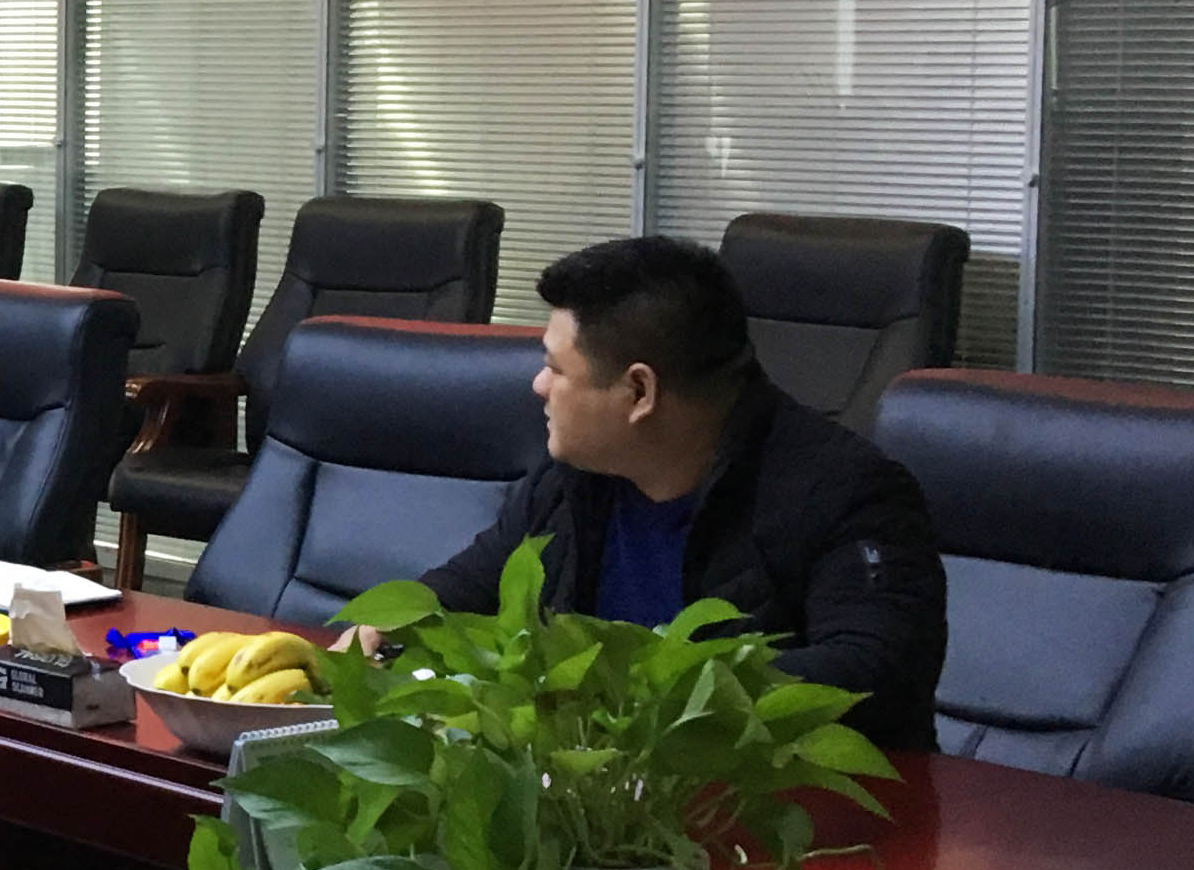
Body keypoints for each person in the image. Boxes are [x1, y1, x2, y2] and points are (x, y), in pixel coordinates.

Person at [400, 235, 946, 748]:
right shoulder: (574, 478)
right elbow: (472, 583)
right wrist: (389, 628)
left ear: (640, 391)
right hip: (597, 799)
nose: (538, 386)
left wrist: (635, 685)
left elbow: (874, 677)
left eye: (555, 369)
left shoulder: (849, 493)